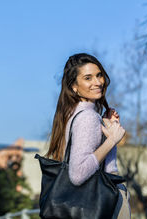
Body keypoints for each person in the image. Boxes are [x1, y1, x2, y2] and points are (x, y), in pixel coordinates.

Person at [46, 53, 130, 218]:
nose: (97, 82)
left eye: (99, 75)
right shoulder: (87, 117)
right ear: (74, 86)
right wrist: (112, 140)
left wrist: (106, 130)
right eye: (88, 78)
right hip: (104, 203)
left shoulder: (72, 113)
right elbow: (78, 173)